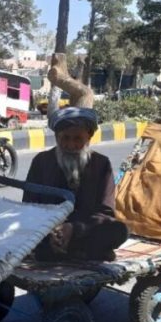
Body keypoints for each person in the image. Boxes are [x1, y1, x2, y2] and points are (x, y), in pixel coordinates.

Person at [23, 107, 129, 262]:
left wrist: (74, 228)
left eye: (78, 139)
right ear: (57, 136)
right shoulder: (41, 161)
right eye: (65, 138)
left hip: (83, 231)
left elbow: (105, 211)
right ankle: (71, 251)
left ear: (89, 137)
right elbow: (29, 206)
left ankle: (67, 251)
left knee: (120, 230)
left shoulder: (101, 164)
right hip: (47, 231)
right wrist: (51, 231)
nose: (70, 145)